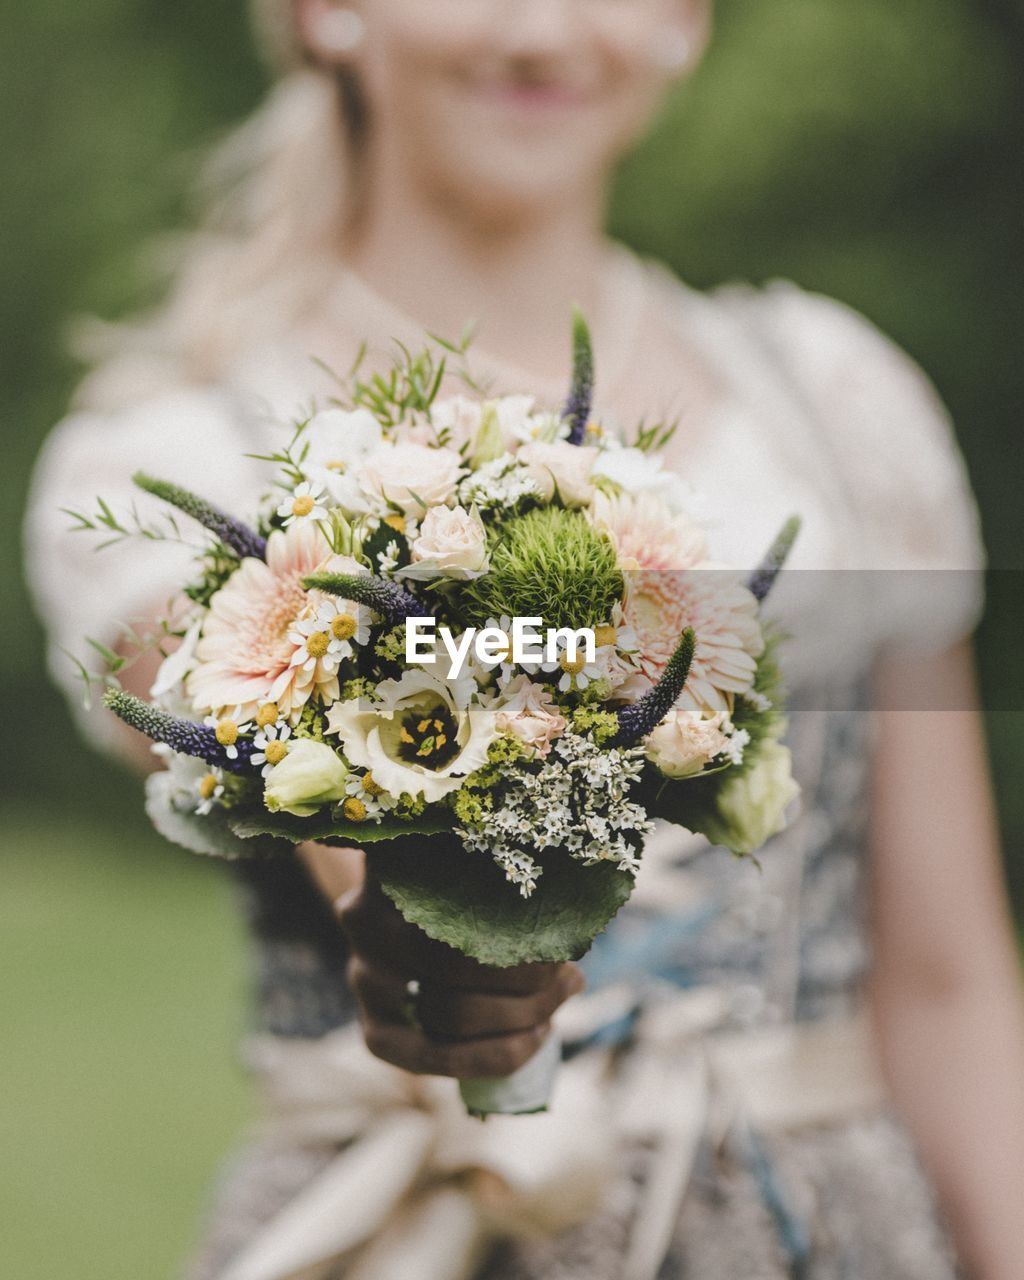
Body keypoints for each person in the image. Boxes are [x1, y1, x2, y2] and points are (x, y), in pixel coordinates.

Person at [23, 1, 1024, 1276]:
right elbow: (325, 795)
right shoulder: (179, 456)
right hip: (411, 1230)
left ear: (682, 22)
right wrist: (450, 961)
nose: (545, 32)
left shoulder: (830, 403)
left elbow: (946, 977)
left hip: (819, 1231)